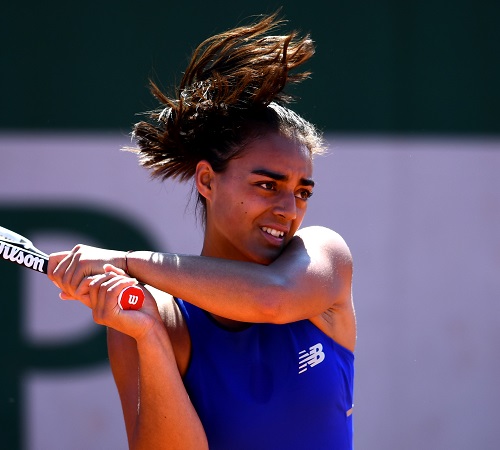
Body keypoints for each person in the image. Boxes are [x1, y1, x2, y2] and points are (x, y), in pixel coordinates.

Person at [48, 12, 355, 450]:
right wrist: (150, 338)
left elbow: (270, 298)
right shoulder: (155, 315)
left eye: (302, 192)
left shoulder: (325, 257)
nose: (288, 209)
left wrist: (128, 261)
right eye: (267, 185)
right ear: (208, 180)